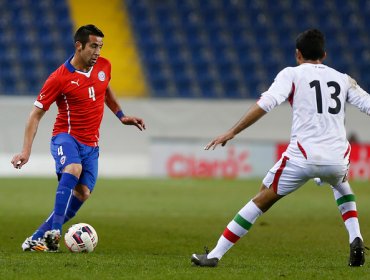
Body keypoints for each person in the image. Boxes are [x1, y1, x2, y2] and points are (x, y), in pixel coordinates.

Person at [191, 29, 367, 267]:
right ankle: (355, 236)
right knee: (341, 183)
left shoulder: (291, 74)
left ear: (297, 54)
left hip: (302, 157)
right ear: (324, 55)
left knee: (261, 198)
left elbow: (266, 103)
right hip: (337, 159)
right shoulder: (343, 79)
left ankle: (214, 255)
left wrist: (233, 131)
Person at [11, 24, 146, 252]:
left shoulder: (104, 66)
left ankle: (36, 238)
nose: (97, 52)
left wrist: (121, 116)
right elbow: (35, 115)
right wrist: (26, 151)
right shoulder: (59, 78)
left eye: (100, 47)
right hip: (66, 137)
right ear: (79, 46)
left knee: (82, 193)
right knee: (72, 169)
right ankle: (54, 231)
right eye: (93, 46)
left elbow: (105, 89)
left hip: (91, 145)